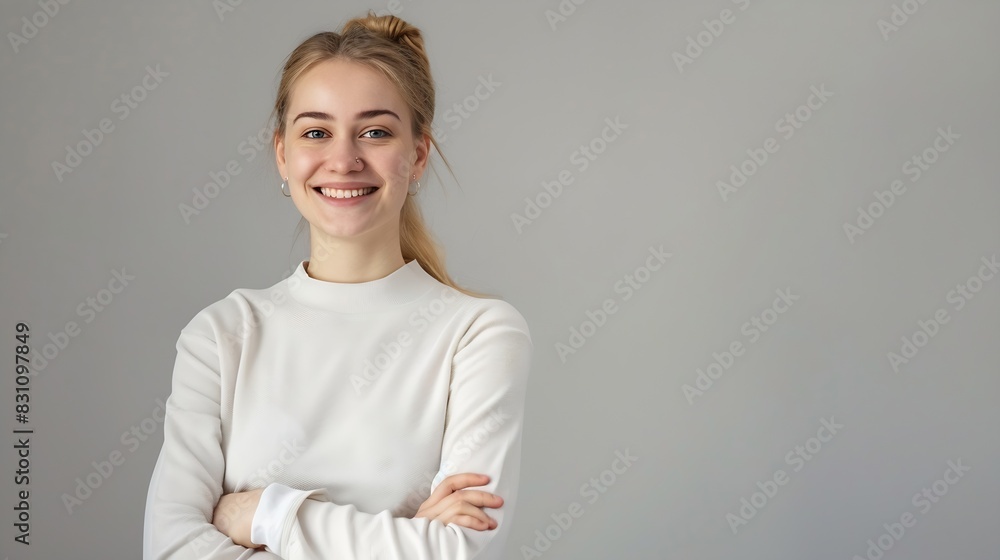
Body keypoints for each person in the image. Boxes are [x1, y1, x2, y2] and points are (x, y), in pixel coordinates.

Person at [142, 11, 533, 559]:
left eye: (375, 132)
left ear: (418, 155)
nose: (344, 160)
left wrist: (266, 515)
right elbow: (170, 549)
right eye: (316, 132)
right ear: (283, 154)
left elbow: (460, 551)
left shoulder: (478, 334)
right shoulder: (221, 336)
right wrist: (409, 540)